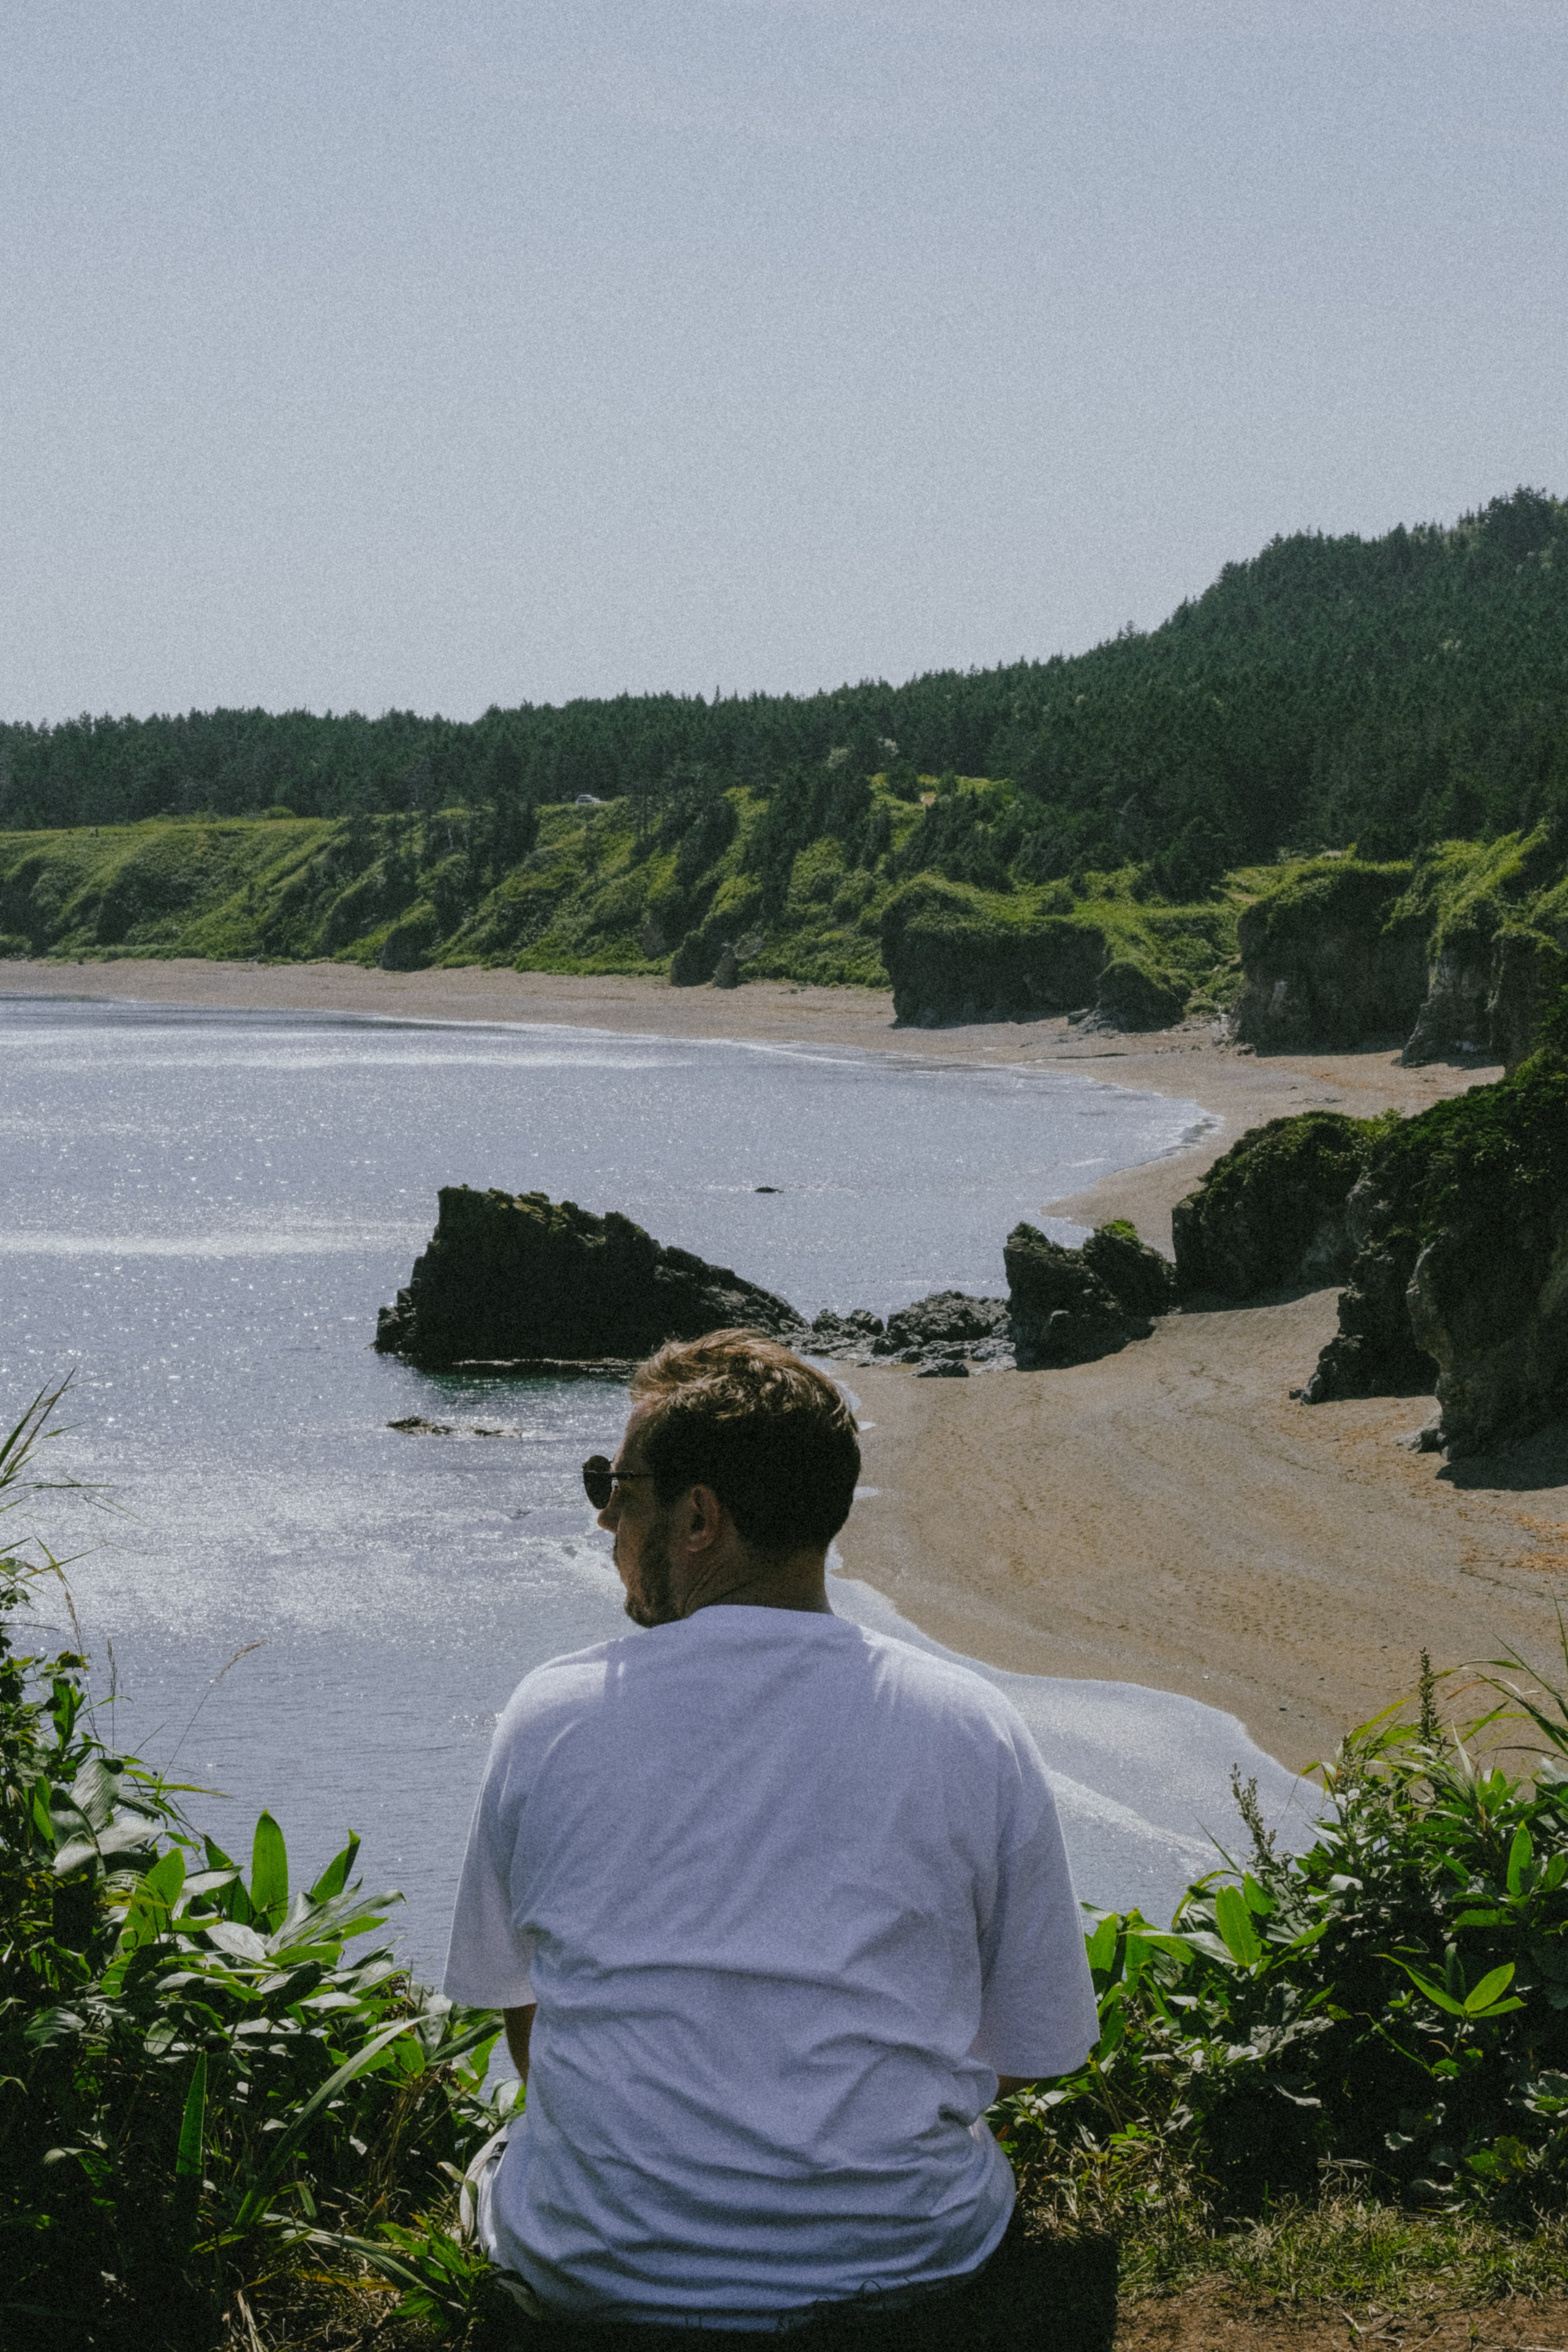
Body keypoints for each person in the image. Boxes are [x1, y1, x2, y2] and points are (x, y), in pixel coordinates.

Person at [442, 1329, 1097, 2331]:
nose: (604, 1515)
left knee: (497, 2162)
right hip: (904, 2255)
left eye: (618, 1485)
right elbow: (1035, 2044)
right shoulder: (970, 1722)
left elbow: (520, 2012)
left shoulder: (553, 1714)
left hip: (602, 2265)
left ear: (699, 1518)